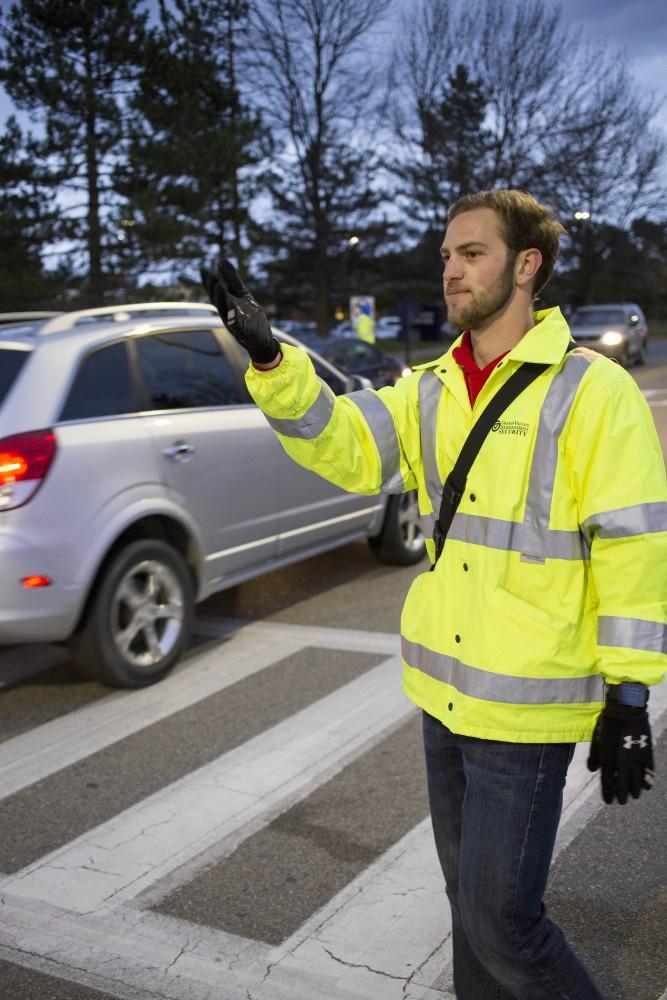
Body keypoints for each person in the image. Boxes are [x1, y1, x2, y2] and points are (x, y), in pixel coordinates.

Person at [202, 189, 666, 1000]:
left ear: (527, 266)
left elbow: (634, 547)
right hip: (444, 696)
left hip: (524, 707)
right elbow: (342, 447)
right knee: (467, 911)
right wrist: (271, 364)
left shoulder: (593, 391)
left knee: (502, 923)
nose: (451, 270)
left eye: (472, 254)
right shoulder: (430, 388)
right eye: (447, 255)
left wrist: (629, 698)